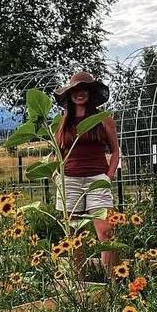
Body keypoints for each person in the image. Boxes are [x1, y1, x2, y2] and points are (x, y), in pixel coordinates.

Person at [52, 71, 120, 276]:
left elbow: (115, 150)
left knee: (106, 231)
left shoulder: (103, 118)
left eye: (84, 90)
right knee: (73, 235)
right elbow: (57, 151)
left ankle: (113, 281)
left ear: (90, 93)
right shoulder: (63, 121)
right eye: (75, 90)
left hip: (96, 178)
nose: (79, 94)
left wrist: (108, 177)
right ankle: (79, 282)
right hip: (70, 180)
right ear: (69, 95)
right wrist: (57, 175)